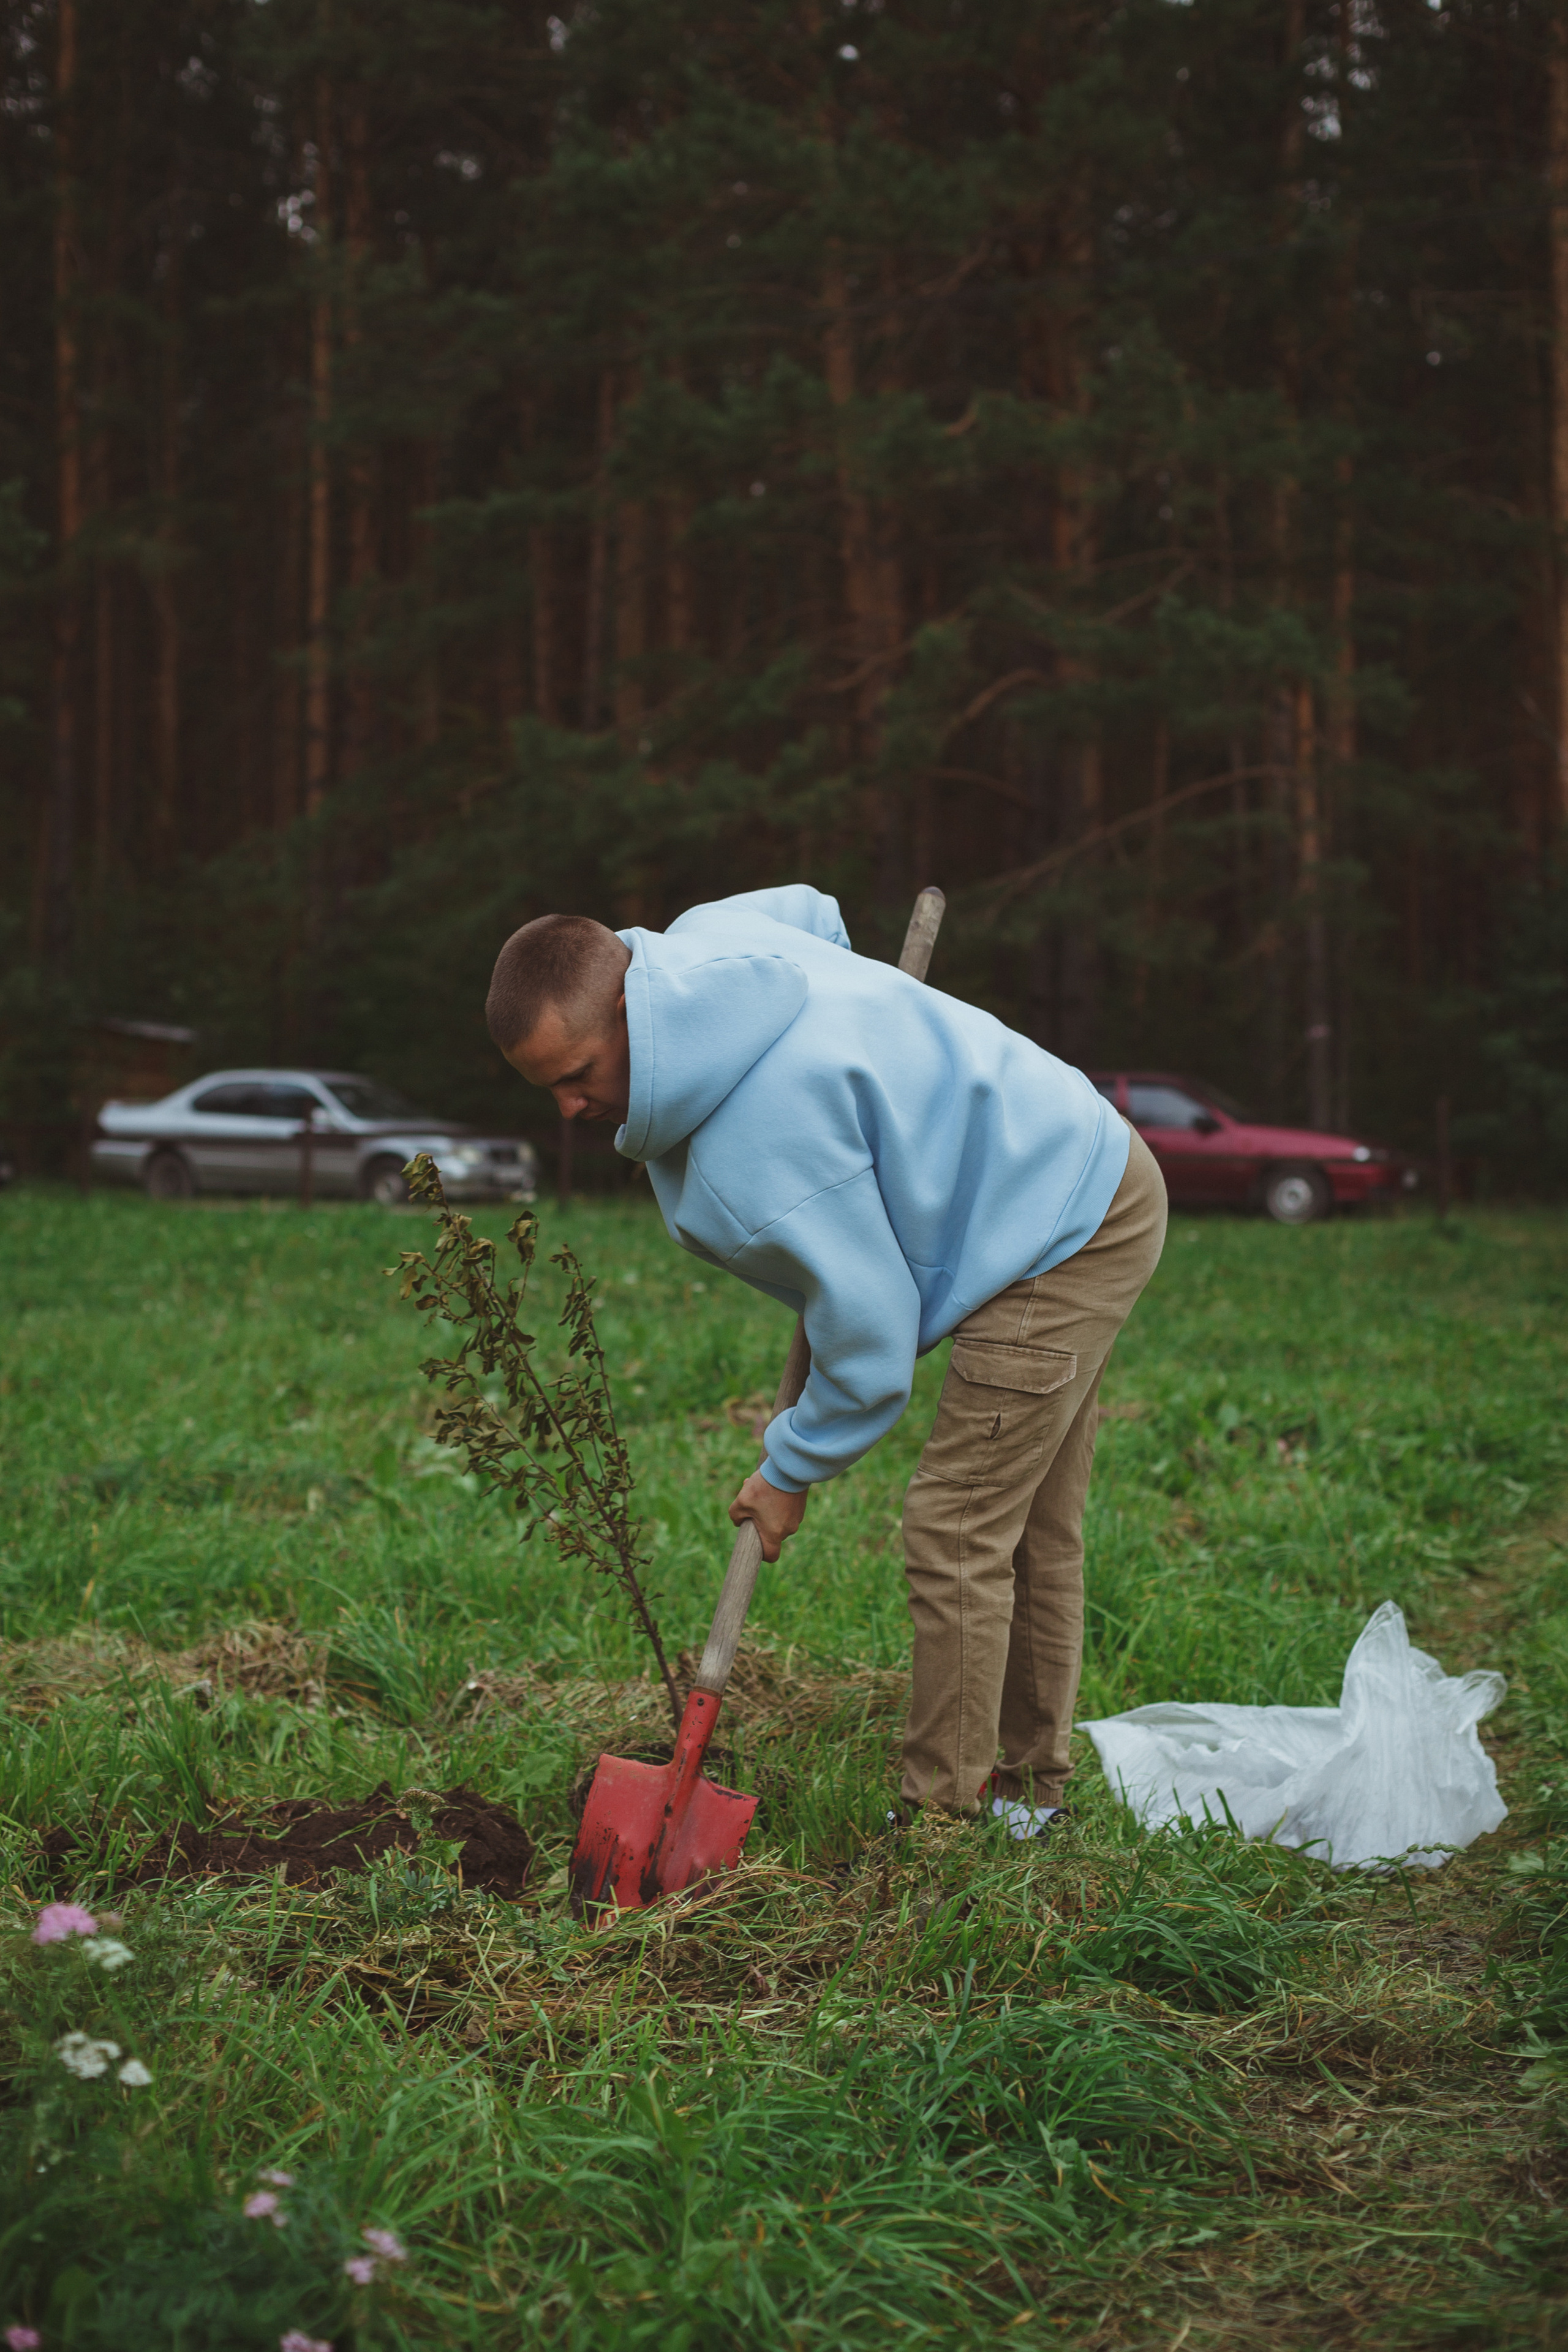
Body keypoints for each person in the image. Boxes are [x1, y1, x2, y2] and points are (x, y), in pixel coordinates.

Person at [484, 886, 1166, 1836]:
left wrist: (789, 1468)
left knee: (960, 1527)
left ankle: (942, 1821)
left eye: (579, 1072)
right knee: (1027, 1522)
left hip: (1058, 1230)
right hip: (1078, 1151)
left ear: (632, 1006)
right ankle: (1030, 1793)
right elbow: (812, 910)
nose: (568, 1109)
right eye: (547, 1087)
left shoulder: (752, 1159)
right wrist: (874, 1050)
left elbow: (870, 1345)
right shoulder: (706, 944)